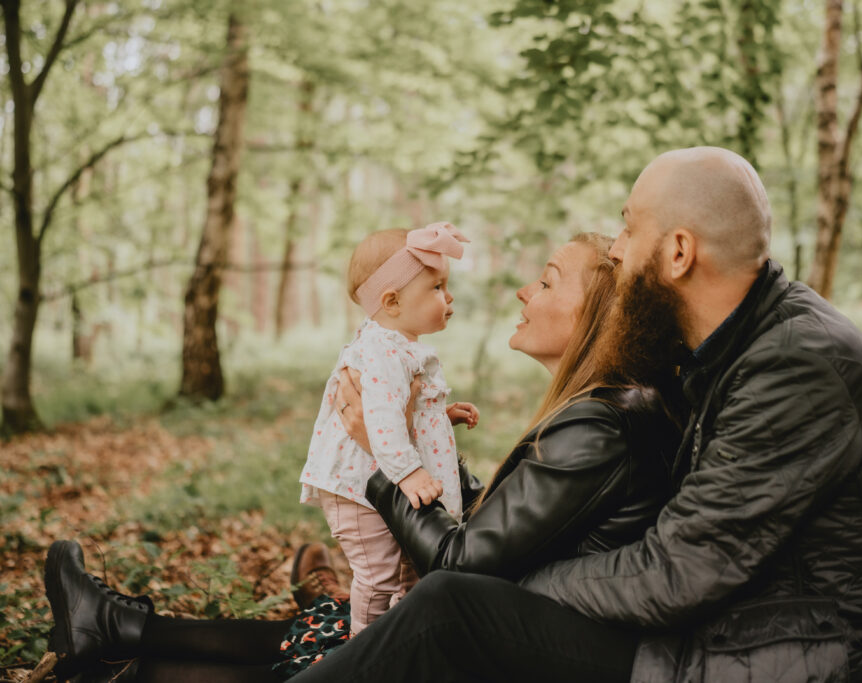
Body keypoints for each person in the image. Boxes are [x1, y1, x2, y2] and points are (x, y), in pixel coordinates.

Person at [279, 146, 862, 682]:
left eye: (628, 227)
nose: (617, 249)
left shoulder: (795, 365)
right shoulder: (734, 346)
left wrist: (511, 582)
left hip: (784, 654)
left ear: (677, 252)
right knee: (448, 603)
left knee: (451, 607)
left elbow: (676, 572)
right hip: (737, 626)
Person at [43, 232, 681, 682]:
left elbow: (458, 558)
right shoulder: (594, 413)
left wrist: (383, 459)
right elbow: (508, 527)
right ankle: (118, 633)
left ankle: (121, 638)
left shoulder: (601, 425)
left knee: (361, 629)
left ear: (597, 317)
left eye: (545, 281)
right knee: (332, 626)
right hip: (516, 612)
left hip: (519, 634)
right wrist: (430, 441)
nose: (522, 291)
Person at [298, 221, 479, 634]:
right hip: (359, 490)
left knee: (412, 572)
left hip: (377, 481)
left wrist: (438, 415)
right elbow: (381, 419)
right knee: (378, 577)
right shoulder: (381, 351)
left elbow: (398, 410)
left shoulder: (396, 346)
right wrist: (410, 471)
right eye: (436, 288)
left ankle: (400, 638)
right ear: (392, 301)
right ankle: (365, 650)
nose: (448, 298)